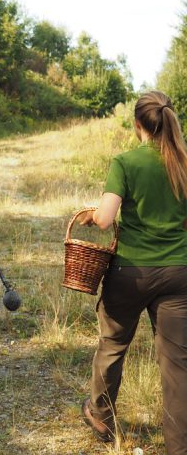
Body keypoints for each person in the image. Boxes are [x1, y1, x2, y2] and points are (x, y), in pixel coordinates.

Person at [78, 91, 187, 453]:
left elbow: (106, 218)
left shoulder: (125, 162)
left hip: (130, 271)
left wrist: (92, 215)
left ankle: (102, 417)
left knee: (112, 345)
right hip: (178, 273)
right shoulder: (184, 163)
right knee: (177, 367)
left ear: (137, 124)